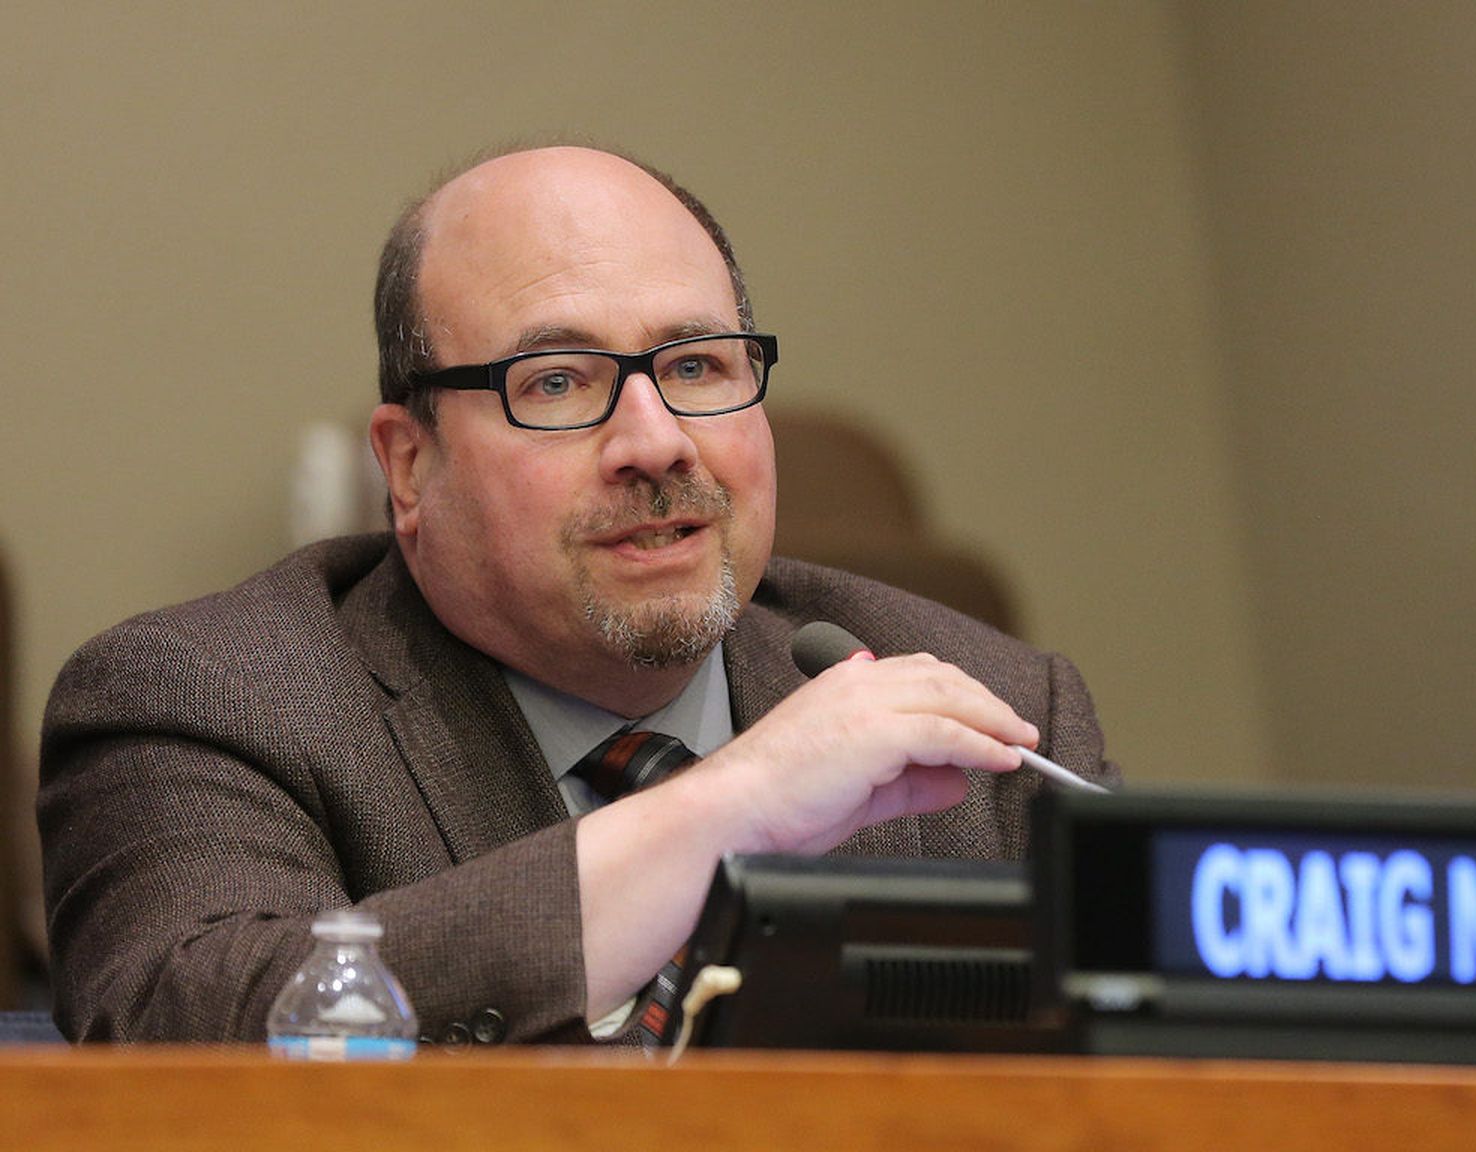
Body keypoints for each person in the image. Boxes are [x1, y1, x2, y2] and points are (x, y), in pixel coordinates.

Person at [38, 146, 1116, 1045]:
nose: (654, 442)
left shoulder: (1000, 712)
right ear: (410, 467)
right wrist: (730, 811)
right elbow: (203, 1034)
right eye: (557, 383)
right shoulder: (209, 702)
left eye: (696, 366)